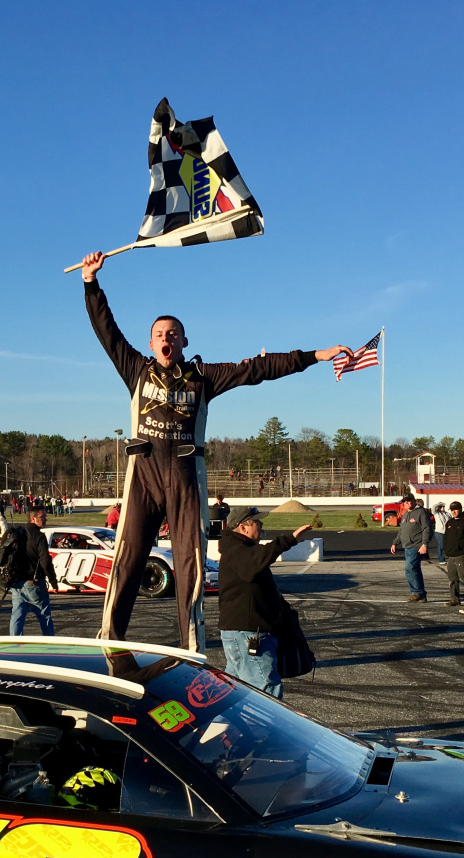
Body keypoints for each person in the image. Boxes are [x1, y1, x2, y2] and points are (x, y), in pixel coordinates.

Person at [80, 250, 353, 652]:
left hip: (186, 479)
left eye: (173, 333)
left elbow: (257, 369)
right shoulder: (136, 368)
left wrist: (315, 356)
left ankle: (191, 649)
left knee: (189, 564)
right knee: (128, 559)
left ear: (185, 340)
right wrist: (91, 282)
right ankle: (109, 645)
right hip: (143, 475)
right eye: (159, 334)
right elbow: (106, 329)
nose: (166, 339)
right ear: (150, 342)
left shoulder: (203, 377)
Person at [218, 506, 311, 698]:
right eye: (258, 523)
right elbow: (254, 564)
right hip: (248, 636)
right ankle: (266, 728)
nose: (261, 526)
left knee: (231, 694)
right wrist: (287, 541)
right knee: (266, 693)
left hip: (245, 634)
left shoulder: (239, 550)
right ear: (244, 527)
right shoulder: (237, 551)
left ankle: (227, 726)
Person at [8, 506, 59, 636]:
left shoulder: (17, 533)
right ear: (33, 518)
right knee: (44, 616)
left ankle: (15, 643)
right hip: (33, 583)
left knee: (17, 615)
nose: (45, 520)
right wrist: (53, 581)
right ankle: (50, 644)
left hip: (16, 583)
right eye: (42, 517)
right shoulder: (39, 537)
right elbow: (45, 561)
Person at [390, 494, 430, 602]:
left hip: (416, 546)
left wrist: (424, 544)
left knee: (410, 568)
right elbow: (401, 531)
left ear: (413, 500)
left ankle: (417, 592)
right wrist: (395, 543)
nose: (406, 503)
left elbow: (427, 529)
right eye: (404, 501)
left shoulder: (421, 513)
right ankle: (419, 593)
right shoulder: (405, 514)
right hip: (407, 546)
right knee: (413, 569)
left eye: (408, 500)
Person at [443, 501, 464, 607]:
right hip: (451, 555)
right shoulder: (449, 522)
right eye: (452, 510)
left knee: (463, 576)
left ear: (460, 509)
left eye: (456, 509)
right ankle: (454, 599)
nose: (454, 511)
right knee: (452, 578)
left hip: (461, 555)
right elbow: (445, 538)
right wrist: (446, 550)